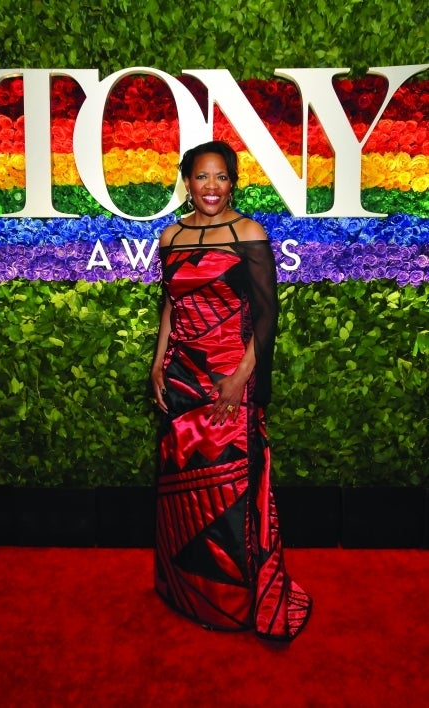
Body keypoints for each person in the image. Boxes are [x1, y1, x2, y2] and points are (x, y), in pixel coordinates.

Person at [151, 140, 311, 641]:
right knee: (184, 488)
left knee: (231, 492)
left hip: (227, 378)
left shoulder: (248, 233)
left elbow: (267, 316)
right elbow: (172, 304)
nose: (212, 187)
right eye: (202, 177)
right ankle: (185, 588)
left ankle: (234, 602)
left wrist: (240, 379)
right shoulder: (171, 235)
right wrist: (158, 362)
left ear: (233, 181)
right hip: (181, 380)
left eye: (221, 177)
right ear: (187, 182)